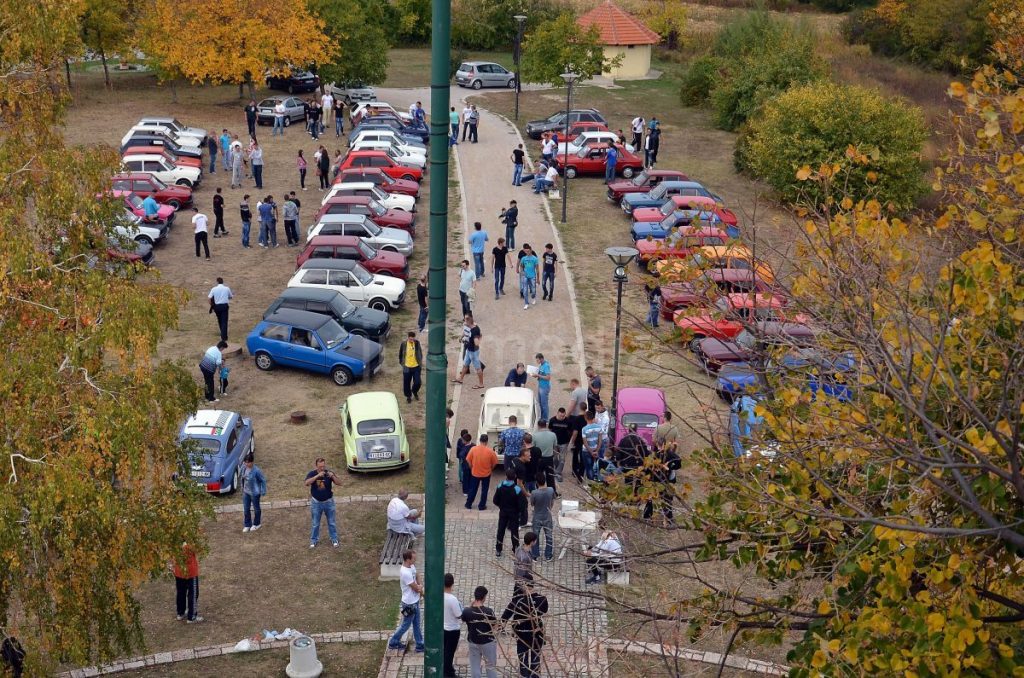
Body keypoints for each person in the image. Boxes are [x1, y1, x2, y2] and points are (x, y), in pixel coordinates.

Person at [501, 582, 548, 678]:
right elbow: (544, 611)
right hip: (537, 634)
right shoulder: (542, 599)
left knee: (523, 662)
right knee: (535, 660)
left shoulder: (518, 600)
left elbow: (506, 615)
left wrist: (501, 626)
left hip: (522, 636)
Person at [387, 550, 425, 653]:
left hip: (415, 601)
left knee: (417, 623)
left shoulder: (411, 566)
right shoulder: (405, 572)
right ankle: (393, 642)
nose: (415, 559)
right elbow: (415, 588)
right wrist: (420, 589)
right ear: (408, 559)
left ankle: (420, 644)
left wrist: (420, 586)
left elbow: (417, 575)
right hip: (409, 603)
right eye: (413, 558)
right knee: (405, 625)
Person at [461, 586, 499, 678]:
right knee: (491, 666)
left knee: (475, 667)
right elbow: (495, 626)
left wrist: (470, 606)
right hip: (488, 642)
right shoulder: (489, 612)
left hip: (473, 641)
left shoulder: (467, 611)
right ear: (484, 597)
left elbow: (463, 618)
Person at [305, 458, 340, 548]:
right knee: (315, 523)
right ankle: (313, 540)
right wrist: (317, 476)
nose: (322, 468)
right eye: (320, 467)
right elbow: (307, 483)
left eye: (323, 466)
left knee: (331, 522)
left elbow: (339, 483)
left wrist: (333, 476)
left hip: (329, 502)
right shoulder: (312, 473)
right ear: (316, 466)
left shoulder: (329, 473)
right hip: (316, 503)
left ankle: (334, 539)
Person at [493, 468, 527, 557]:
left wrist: (501, 506)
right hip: (514, 513)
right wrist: (519, 512)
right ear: (515, 477)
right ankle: (515, 549)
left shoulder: (500, 486)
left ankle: (498, 549)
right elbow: (522, 504)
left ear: (506, 476)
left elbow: (495, 500)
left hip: (503, 512)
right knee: (514, 532)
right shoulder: (517, 489)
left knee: (501, 530)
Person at [464, 434, 498, 510]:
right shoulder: (490, 451)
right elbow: (495, 462)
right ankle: (482, 506)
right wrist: (491, 468)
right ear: (487, 441)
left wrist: (471, 467)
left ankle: (468, 504)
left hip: (475, 472)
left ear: (480, 440)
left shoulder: (473, 449)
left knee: (473, 489)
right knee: (484, 490)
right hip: (486, 474)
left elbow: (468, 460)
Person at [172, 542, 202, 623]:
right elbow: (197, 549)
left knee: (181, 592)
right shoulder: (189, 541)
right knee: (193, 593)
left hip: (178, 570)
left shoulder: (175, 539)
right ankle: (192, 616)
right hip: (190, 572)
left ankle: (180, 613)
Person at [441, 573, 463, 677]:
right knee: (450, 652)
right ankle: (448, 672)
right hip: (453, 630)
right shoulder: (452, 599)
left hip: (443, 628)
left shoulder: (440, 596)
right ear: (452, 584)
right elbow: (459, 615)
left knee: (445, 650)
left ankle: (447, 668)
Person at [454, 313, 484, 388]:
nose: (464, 320)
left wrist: (476, 339)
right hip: (469, 350)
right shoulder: (467, 325)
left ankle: (481, 384)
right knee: (465, 365)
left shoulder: (475, 330)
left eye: (466, 319)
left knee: (478, 368)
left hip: (473, 352)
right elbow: (465, 331)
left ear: (470, 320)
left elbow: (477, 343)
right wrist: (462, 338)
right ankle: (460, 379)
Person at [240, 452, 266, 532]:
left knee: (256, 509)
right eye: (245, 462)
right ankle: (247, 524)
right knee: (246, 509)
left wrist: (263, 490)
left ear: (252, 462)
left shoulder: (256, 471)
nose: (246, 464)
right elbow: (242, 478)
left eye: (248, 462)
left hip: (255, 493)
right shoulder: (244, 468)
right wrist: (242, 487)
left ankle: (257, 524)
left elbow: (263, 480)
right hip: (246, 492)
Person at [530, 476, 555, 560]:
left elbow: (532, 504)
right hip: (547, 516)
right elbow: (552, 501)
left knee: (535, 536)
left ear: (537, 483)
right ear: (545, 481)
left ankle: (535, 555)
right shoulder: (551, 490)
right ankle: (548, 555)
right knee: (549, 536)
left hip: (537, 517)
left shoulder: (534, 493)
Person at [548, 408, 574, 482]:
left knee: (562, 458)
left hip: (564, 442)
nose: (562, 417)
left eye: (563, 416)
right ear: (557, 413)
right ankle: (557, 470)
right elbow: (550, 430)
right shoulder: (552, 420)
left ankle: (558, 472)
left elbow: (571, 431)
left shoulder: (568, 421)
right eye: (560, 416)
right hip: (554, 443)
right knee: (555, 458)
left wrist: (570, 442)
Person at [532, 419, 557, 493]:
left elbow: (534, 448)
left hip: (539, 459)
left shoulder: (535, 435)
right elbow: (555, 447)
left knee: (539, 475)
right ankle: (553, 492)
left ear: (538, 425)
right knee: (550, 476)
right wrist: (553, 455)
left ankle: (539, 490)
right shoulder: (553, 434)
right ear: (546, 425)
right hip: (549, 458)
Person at [398, 331, 422, 403]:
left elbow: (420, 352)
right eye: (410, 339)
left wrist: (420, 361)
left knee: (418, 382)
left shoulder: (417, 343)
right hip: (407, 367)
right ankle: (408, 396)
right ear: (408, 338)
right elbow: (400, 353)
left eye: (413, 339)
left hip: (416, 366)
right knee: (406, 383)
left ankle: (414, 391)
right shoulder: (404, 344)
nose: (412, 340)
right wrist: (402, 363)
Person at [581, 410, 605, 481]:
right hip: (596, 449)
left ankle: (591, 482)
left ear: (585, 418)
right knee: (596, 466)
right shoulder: (599, 427)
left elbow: (585, 443)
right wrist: (596, 450)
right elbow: (600, 440)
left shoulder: (584, 429)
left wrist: (591, 452)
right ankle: (597, 480)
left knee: (589, 467)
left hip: (587, 451)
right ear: (593, 417)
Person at [207, 277, 233, 342]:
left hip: (217, 307)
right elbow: (231, 296)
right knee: (224, 321)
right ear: (222, 282)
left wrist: (212, 305)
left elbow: (209, 298)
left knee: (219, 320)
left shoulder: (214, 289)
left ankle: (222, 333)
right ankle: (224, 337)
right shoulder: (227, 288)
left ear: (217, 282)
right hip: (224, 306)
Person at [518, 244, 538, 309]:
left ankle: (533, 297)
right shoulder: (523, 258)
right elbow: (521, 265)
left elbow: (537, 268)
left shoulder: (535, 259)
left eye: (528, 251)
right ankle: (526, 303)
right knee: (525, 290)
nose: (527, 253)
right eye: (526, 251)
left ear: (531, 250)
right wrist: (522, 272)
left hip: (532, 276)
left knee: (533, 290)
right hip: (525, 276)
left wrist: (538, 278)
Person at [533, 353, 551, 421]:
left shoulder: (546, 366)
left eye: (537, 360)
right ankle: (542, 417)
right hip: (540, 386)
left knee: (544, 404)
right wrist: (536, 375)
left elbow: (548, 377)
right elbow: (540, 374)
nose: (537, 361)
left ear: (541, 359)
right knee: (540, 402)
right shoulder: (541, 365)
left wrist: (538, 375)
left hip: (544, 387)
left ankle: (545, 419)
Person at [456, 429, 474, 495]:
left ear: (465, 441)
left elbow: (461, 455)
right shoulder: (473, 446)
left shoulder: (464, 449)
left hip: (466, 466)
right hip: (472, 465)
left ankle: (465, 491)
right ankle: (470, 489)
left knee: (465, 478)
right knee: (471, 477)